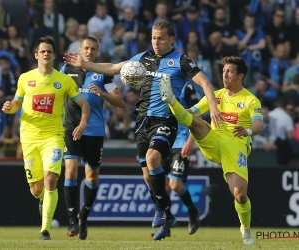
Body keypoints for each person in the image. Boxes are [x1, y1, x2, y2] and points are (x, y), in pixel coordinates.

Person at [63, 20, 222, 241]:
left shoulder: (181, 61)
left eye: (161, 38)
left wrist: (213, 106)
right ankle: (166, 214)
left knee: (153, 158)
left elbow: (205, 83)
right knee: (148, 176)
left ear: (172, 40)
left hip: (166, 119)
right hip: (142, 122)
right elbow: (113, 68)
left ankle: (160, 211)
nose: (156, 42)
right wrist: (85, 64)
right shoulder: (142, 58)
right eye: (154, 38)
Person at [158, 56, 264, 244]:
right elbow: (192, 113)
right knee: (196, 122)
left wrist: (247, 131)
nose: (225, 74)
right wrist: (175, 110)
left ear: (240, 75)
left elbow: (259, 124)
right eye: (223, 71)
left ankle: (245, 229)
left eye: (230, 71)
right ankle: (171, 100)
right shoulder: (217, 95)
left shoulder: (250, 99)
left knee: (240, 195)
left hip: (236, 144)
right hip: (214, 140)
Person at [1, 37, 91, 240]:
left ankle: (45, 230)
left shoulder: (64, 80)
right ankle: (42, 199)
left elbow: (85, 104)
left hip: (54, 136)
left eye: (49, 51)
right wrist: (9, 108)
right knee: (36, 189)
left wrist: (83, 123)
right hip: (29, 137)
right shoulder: (25, 78)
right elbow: (16, 103)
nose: (46, 54)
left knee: (51, 180)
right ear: (36, 55)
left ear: (53, 55)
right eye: (42, 51)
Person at [61, 36, 125, 240]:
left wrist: (104, 95)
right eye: (86, 48)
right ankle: (72, 220)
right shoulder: (66, 70)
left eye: (93, 49)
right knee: (70, 170)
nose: (89, 51)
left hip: (95, 130)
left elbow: (120, 103)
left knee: (91, 177)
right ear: (79, 50)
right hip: (71, 127)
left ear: (97, 51)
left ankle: (83, 217)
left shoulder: (103, 74)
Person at [150, 82, 201, 238]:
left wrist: (191, 141)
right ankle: (166, 226)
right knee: (162, 185)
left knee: (175, 184)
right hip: (164, 139)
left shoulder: (187, 86)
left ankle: (192, 211)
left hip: (181, 142)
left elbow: (197, 114)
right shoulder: (159, 84)